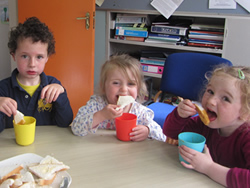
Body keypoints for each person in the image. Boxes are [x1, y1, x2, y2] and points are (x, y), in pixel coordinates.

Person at [163, 65, 250, 187]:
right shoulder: (204, 124)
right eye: (210, 91)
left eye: (225, 98)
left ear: (245, 112)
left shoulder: (246, 137)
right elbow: (171, 133)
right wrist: (179, 115)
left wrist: (209, 167)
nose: (211, 101)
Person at [0, 17, 73, 132]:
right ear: (14, 55)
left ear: (47, 58)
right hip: (15, 145)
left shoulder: (53, 84)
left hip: (48, 145)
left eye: (39, 57)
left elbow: (65, 122)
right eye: (24, 56)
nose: (32, 64)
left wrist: (61, 93)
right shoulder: (3, 89)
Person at [71, 54, 166, 142]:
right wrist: (101, 115)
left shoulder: (140, 112)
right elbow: (76, 128)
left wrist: (147, 131)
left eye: (131, 84)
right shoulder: (96, 105)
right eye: (116, 83)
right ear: (104, 86)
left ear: (138, 88)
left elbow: (162, 137)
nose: (124, 89)